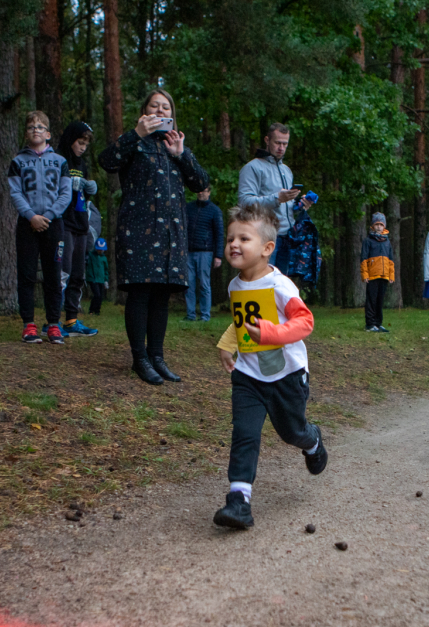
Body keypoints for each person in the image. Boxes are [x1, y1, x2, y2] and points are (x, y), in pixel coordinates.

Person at [212, 203, 327, 529]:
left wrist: (271, 333)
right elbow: (241, 321)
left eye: (243, 239)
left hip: (286, 375)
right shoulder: (236, 285)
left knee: (291, 432)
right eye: (230, 238)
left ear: (266, 249)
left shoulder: (280, 286)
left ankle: (313, 440)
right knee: (244, 433)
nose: (234, 244)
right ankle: (239, 501)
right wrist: (227, 344)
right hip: (248, 375)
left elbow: (305, 322)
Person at [98, 88, 209, 385]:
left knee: (161, 295)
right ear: (145, 111)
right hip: (138, 230)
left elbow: (201, 182)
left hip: (171, 233)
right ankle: (140, 359)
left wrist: (182, 155)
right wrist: (135, 134)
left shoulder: (176, 145)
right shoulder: (135, 141)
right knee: (141, 292)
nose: (161, 111)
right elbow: (107, 160)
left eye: (166, 107)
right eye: (154, 106)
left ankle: (157, 357)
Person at [8, 110, 71, 344]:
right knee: (26, 274)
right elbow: (15, 192)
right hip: (27, 224)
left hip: (54, 224)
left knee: (53, 274)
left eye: (40, 126)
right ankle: (29, 325)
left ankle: (53, 324)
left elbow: (65, 193)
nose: (36, 129)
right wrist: (31, 216)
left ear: (49, 134)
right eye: (31, 126)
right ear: (26, 133)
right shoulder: (18, 162)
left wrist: (49, 215)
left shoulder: (60, 161)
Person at [237, 123, 313, 277]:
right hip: (264, 237)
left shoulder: (287, 171)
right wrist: (277, 198)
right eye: (277, 143)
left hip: (288, 237)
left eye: (285, 144)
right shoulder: (252, 168)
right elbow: (244, 202)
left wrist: (300, 206)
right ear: (267, 140)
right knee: (263, 283)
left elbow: (285, 207)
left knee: (281, 286)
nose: (281, 147)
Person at [57, 120, 100, 337]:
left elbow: (84, 193)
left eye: (85, 144)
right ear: (70, 140)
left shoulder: (82, 164)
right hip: (64, 222)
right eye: (79, 142)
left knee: (77, 273)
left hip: (81, 222)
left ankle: (71, 319)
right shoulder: (59, 160)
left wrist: (89, 187)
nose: (82, 147)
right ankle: (53, 319)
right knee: (62, 271)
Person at [184, 184, 224, 322]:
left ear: (209, 192)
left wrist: (218, 255)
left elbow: (219, 234)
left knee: (204, 284)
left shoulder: (215, 211)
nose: (201, 193)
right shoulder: (188, 208)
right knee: (188, 284)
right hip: (189, 251)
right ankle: (190, 315)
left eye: (204, 191)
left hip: (205, 252)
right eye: (199, 190)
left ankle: (205, 315)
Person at [361, 212, 395, 332]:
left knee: (380, 300)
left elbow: (391, 260)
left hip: (384, 275)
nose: (379, 227)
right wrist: (365, 274)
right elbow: (364, 259)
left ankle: (378, 322)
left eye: (381, 224)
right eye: (377, 224)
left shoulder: (387, 242)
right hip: (372, 275)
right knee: (371, 299)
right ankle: (370, 324)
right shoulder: (368, 241)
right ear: (372, 226)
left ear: (384, 226)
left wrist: (391, 275)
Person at [87, 238, 109, 315]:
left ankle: (97, 311)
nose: (100, 251)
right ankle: (91, 310)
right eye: (98, 249)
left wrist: (106, 280)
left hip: (101, 280)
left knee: (100, 296)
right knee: (97, 294)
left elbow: (106, 270)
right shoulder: (91, 255)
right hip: (93, 279)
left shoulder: (104, 258)